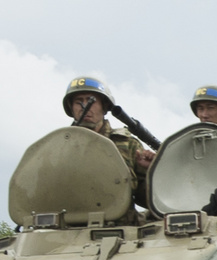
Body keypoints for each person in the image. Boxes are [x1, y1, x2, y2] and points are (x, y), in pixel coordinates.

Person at [63, 76, 156, 207]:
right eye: (79, 101)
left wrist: (153, 171)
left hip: (120, 224)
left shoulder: (127, 144)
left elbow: (148, 199)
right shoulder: (60, 147)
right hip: (70, 221)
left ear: (105, 106)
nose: (85, 106)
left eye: (91, 101)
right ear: (71, 107)